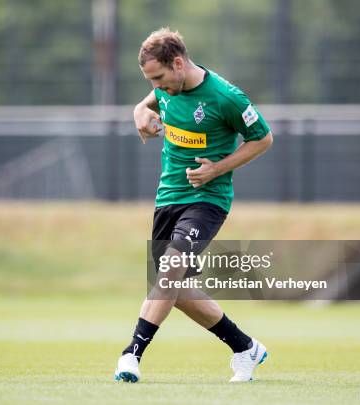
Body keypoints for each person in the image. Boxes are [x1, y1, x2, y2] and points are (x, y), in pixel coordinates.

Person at [114, 28, 273, 383]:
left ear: (179, 63)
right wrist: (139, 109)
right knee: (175, 288)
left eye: (159, 78)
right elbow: (150, 100)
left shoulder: (225, 97)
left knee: (170, 269)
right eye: (150, 81)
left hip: (207, 200)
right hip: (168, 198)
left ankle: (131, 355)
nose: (157, 86)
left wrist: (217, 168)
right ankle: (246, 348)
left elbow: (263, 138)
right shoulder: (166, 86)